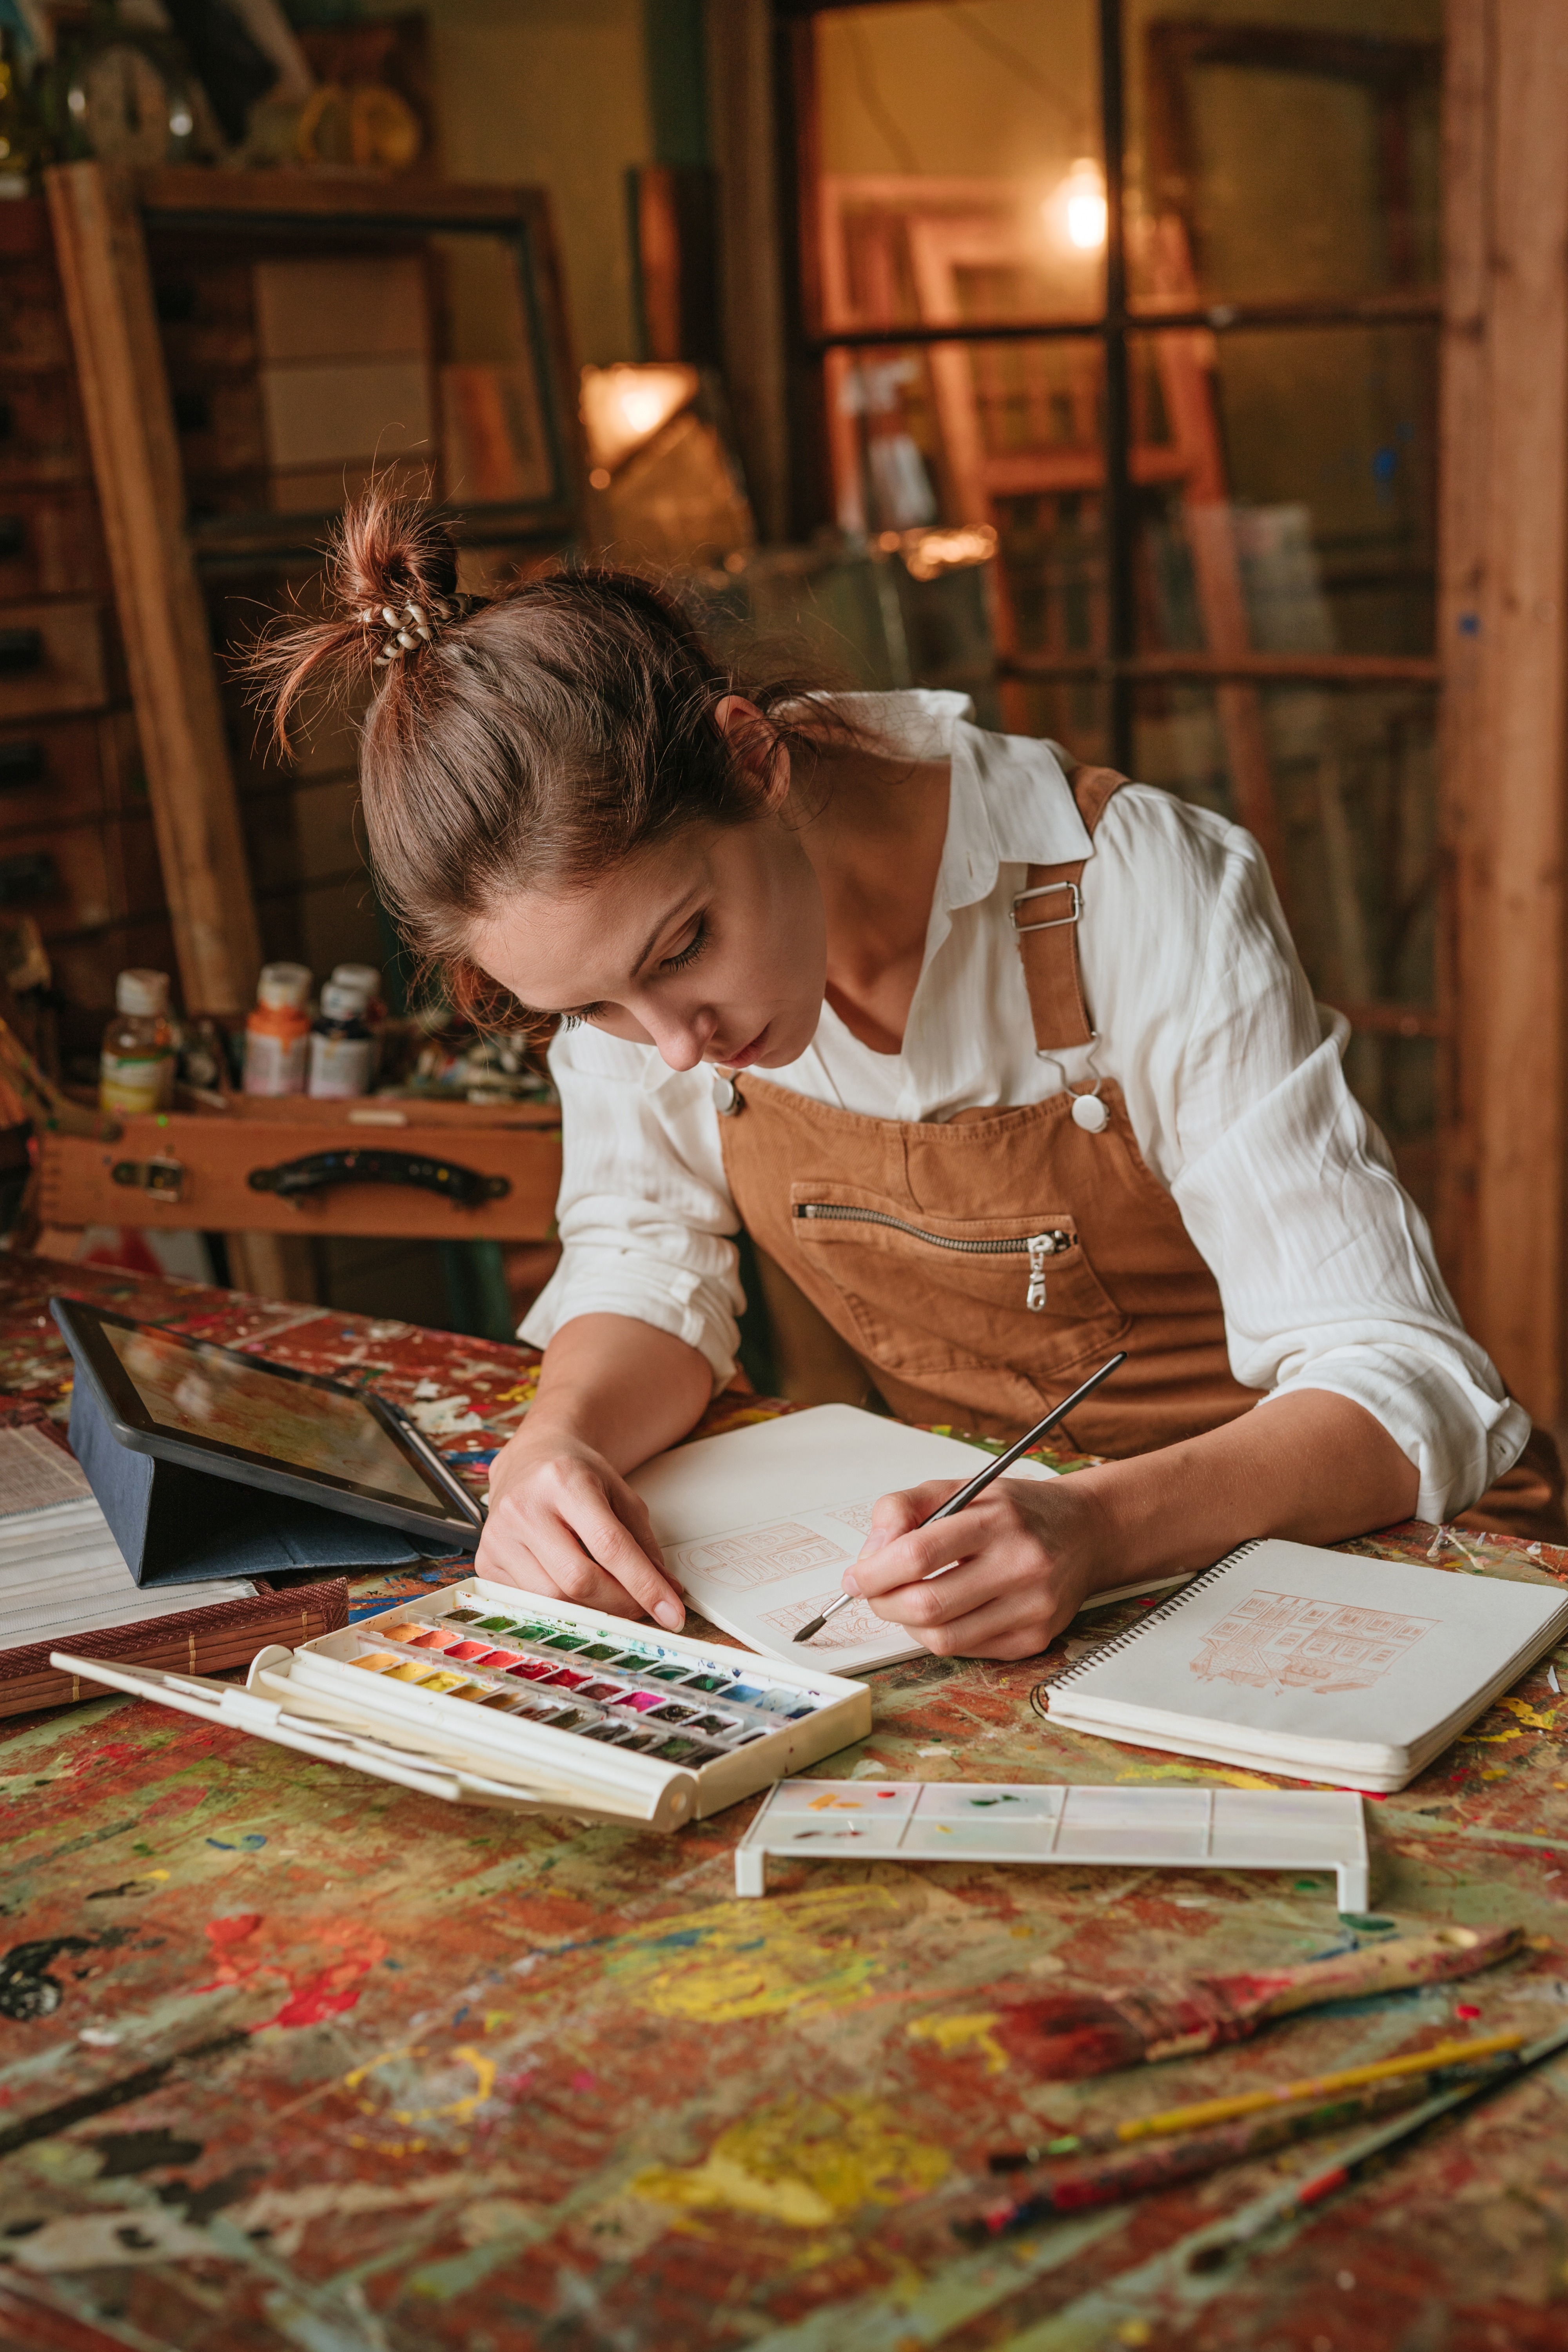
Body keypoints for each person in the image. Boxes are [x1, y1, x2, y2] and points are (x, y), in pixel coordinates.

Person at [255, 490, 1560, 1662]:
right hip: (1014, 1613)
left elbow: (1407, 1386)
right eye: (591, 1006)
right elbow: (648, 1263)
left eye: (683, 948)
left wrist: (1092, 1529)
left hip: (1377, 1576)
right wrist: (559, 1445)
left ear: (754, 760)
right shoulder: (647, 990)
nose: (670, 1045)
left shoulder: (1133, 888)